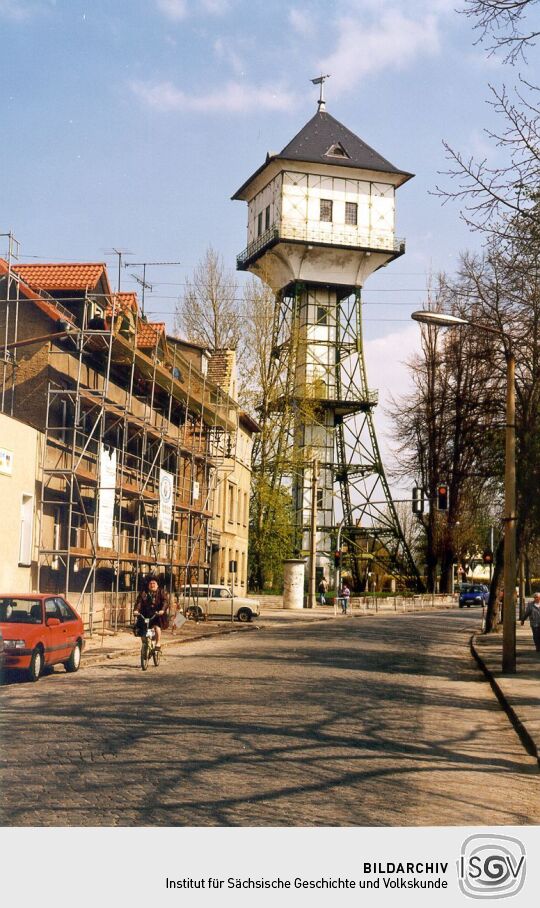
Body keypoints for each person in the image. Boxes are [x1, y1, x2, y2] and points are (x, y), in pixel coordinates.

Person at [134, 577, 169, 649]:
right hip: (145, 614)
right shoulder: (144, 592)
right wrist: (136, 610)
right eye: (150, 583)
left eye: (154, 583)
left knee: (156, 627)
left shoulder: (161, 592)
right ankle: (145, 646)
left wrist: (162, 610)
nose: (152, 585)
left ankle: (158, 643)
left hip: (157, 614)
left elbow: (165, 602)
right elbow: (139, 602)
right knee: (141, 629)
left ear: (157, 585)